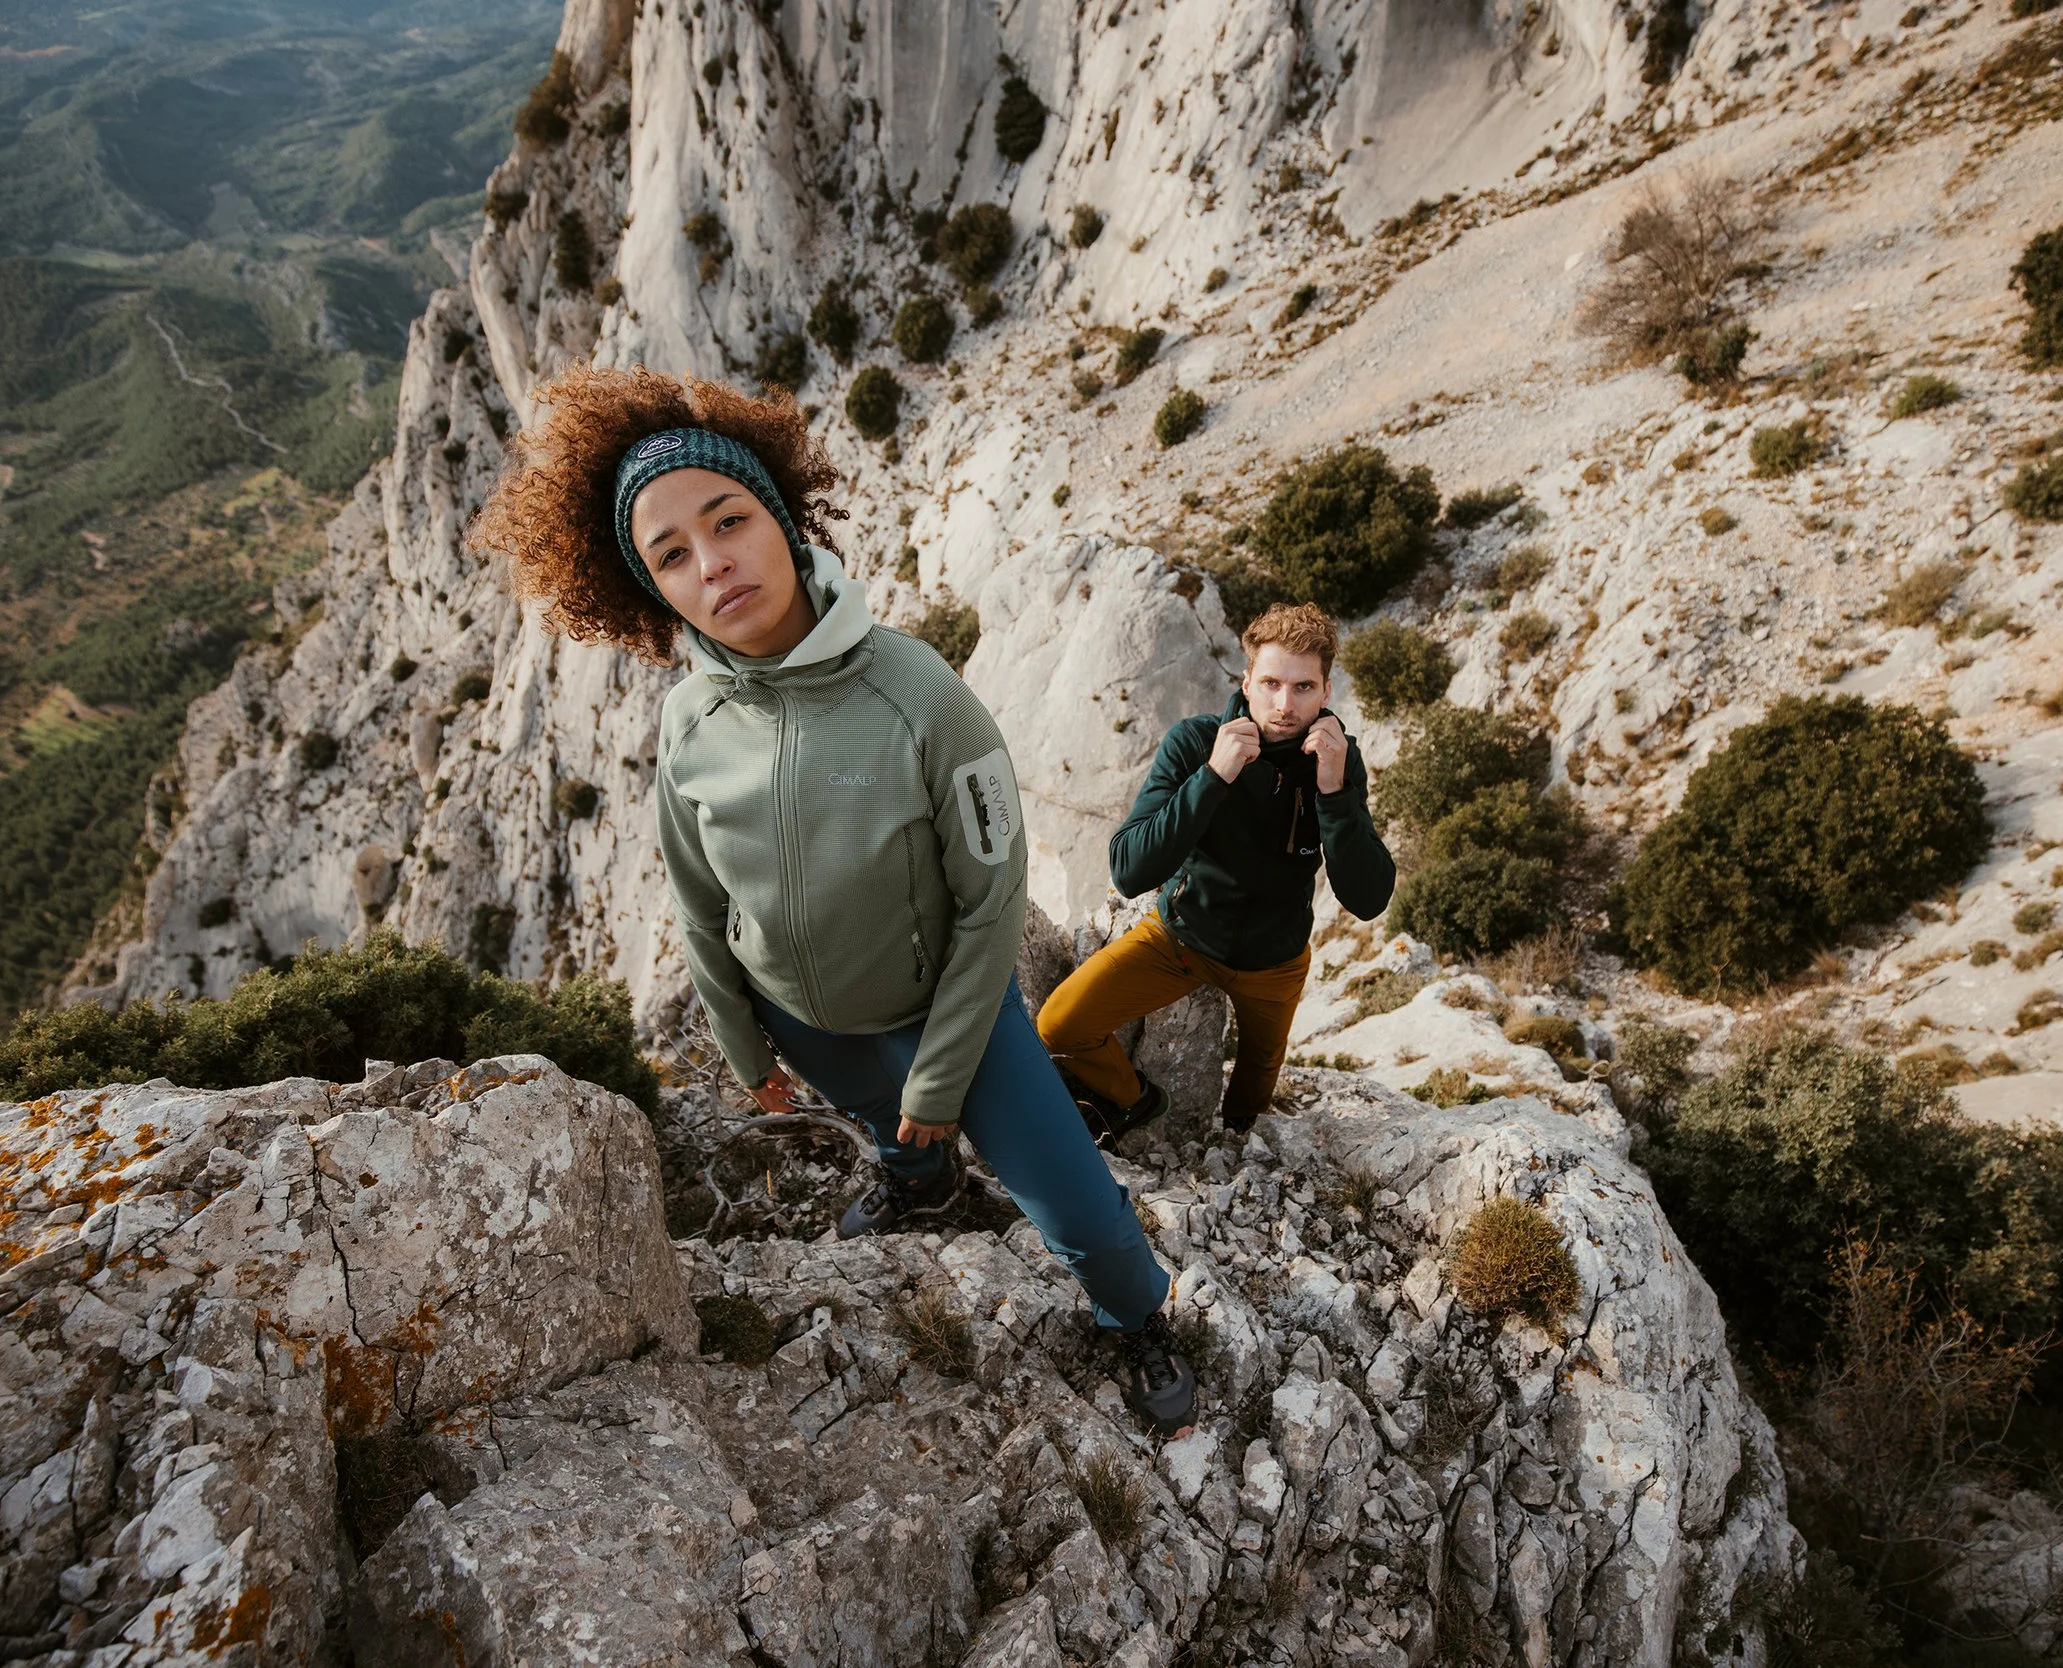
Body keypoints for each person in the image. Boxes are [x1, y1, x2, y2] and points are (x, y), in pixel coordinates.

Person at [469, 364, 1195, 1435]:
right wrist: (743, 1045)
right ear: (649, 589)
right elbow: (693, 890)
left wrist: (944, 1075)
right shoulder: (688, 723)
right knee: (884, 1128)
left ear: (781, 515)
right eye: (671, 554)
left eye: (729, 521)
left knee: (1079, 1207)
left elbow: (992, 904)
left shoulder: (920, 697)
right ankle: (922, 1182)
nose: (712, 564)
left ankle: (1137, 1319)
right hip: (806, 1022)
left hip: (954, 1019)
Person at [1038, 603, 1396, 1138]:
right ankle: (1136, 1101)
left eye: (1302, 688)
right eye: (1271, 682)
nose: (1283, 703)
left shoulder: (1338, 761)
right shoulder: (1195, 742)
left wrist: (1333, 792)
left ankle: (1233, 1145)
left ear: (1325, 695)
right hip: (1180, 940)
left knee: (1251, 1098)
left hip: (1275, 963)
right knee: (1058, 1024)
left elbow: (1368, 899)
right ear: (1246, 681)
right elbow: (1130, 868)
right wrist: (1212, 777)